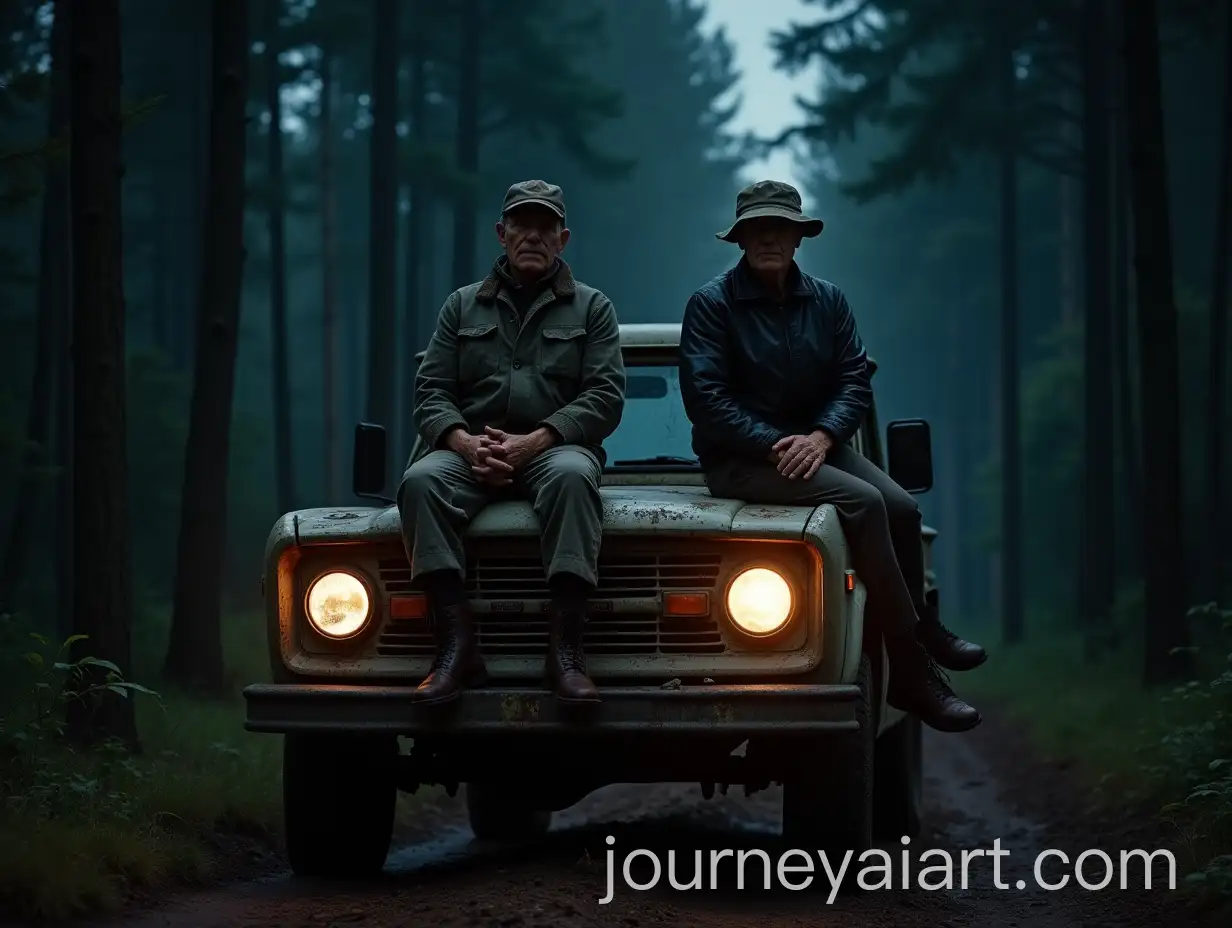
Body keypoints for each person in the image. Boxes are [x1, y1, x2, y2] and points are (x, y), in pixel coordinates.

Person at [678, 179, 986, 733]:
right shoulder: (711, 304)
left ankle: (925, 628)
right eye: (757, 228)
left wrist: (820, 437)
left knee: (903, 509)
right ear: (741, 239)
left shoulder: (829, 300)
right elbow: (707, 399)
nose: (769, 237)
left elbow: (852, 380)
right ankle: (914, 672)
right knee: (865, 503)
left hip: (820, 445)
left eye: (781, 227)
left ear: (799, 237)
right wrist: (774, 443)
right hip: (741, 459)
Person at [399, 179, 626, 709]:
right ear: (502, 234)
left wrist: (536, 441)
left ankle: (566, 655)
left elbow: (605, 397)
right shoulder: (461, 307)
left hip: (556, 450)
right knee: (419, 482)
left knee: (573, 477)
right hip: (467, 452)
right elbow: (431, 391)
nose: (533, 236)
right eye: (522, 224)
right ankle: (456, 649)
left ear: (563, 239)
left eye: (546, 227)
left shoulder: (593, 309)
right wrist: (462, 443)